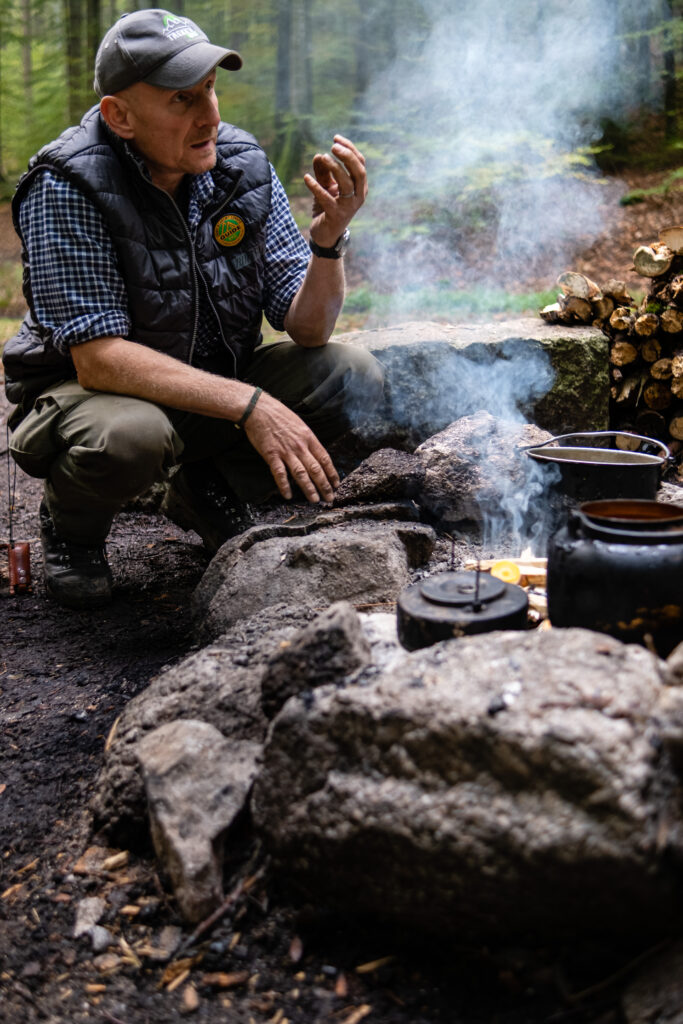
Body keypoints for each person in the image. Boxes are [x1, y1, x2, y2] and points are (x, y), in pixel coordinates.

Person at [3, 8, 383, 610]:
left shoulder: (240, 164)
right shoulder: (66, 183)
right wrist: (250, 404)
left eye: (210, 88)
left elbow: (307, 327)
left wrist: (329, 242)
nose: (210, 114)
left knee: (351, 372)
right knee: (131, 436)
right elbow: (99, 360)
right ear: (119, 116)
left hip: (204, 386)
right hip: (84, 397)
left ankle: (205, 486)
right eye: (183, 99)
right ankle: (71, 533)